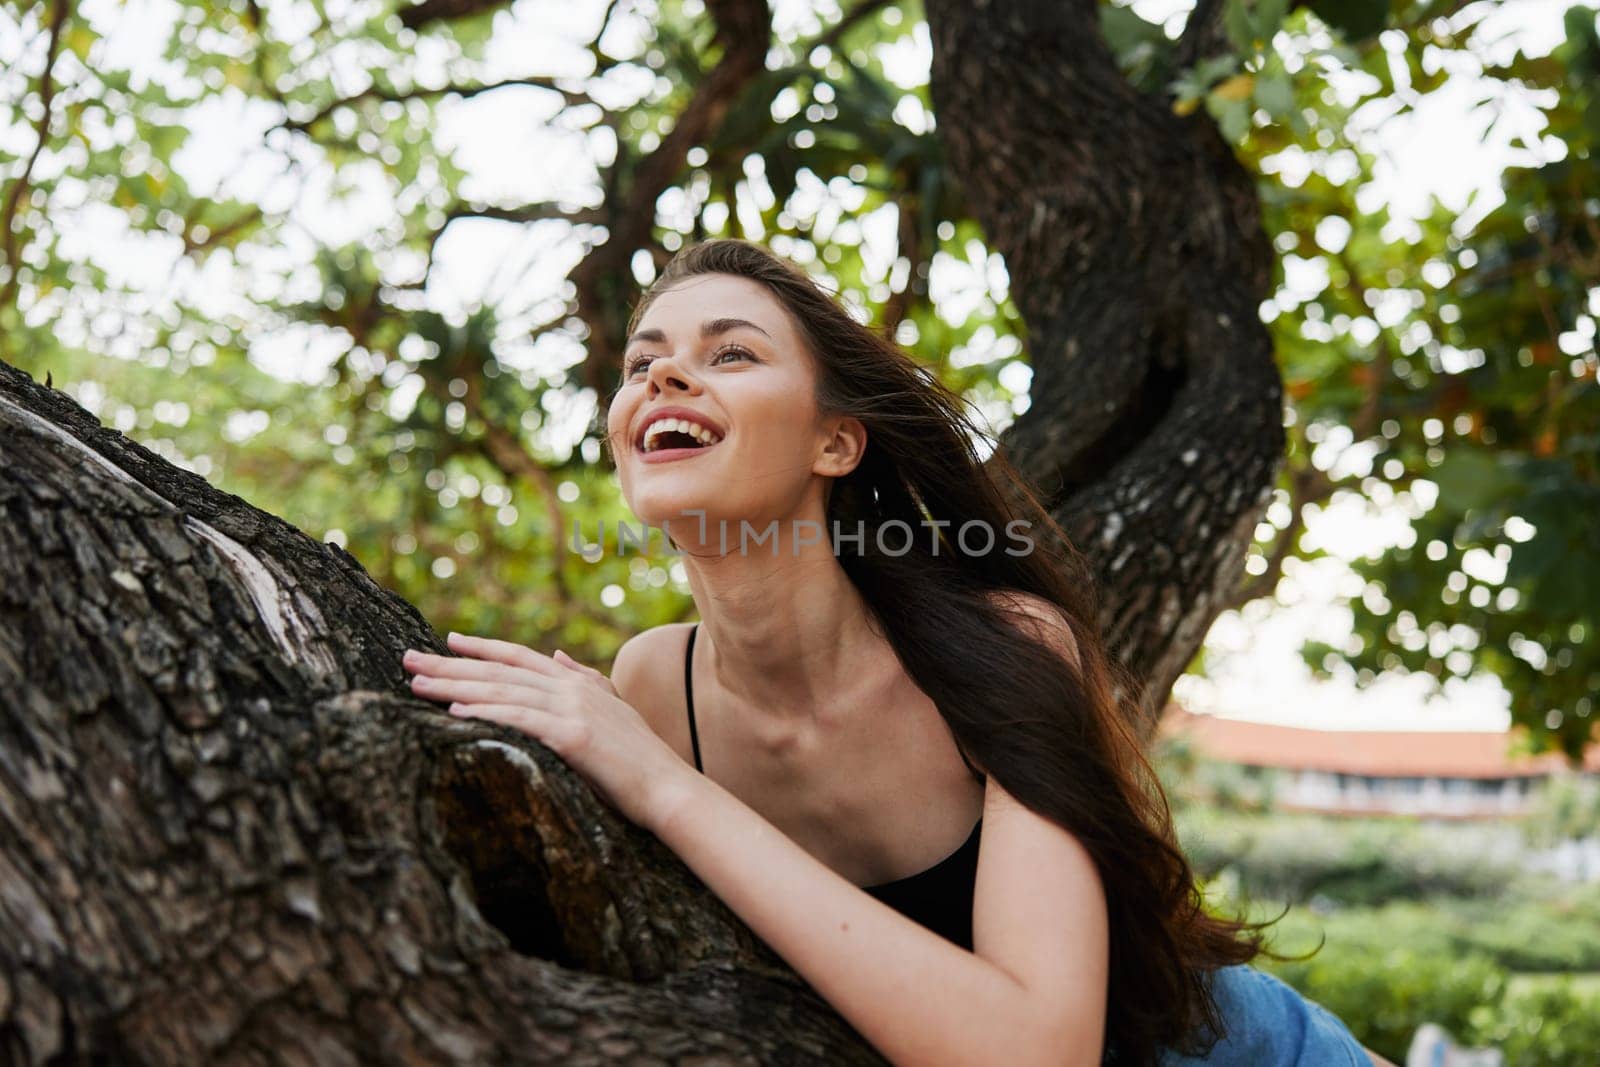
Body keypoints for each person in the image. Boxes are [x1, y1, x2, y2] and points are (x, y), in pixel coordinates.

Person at [401, 238, 1381, 1065]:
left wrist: (658, 783)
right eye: (639, 363)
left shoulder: (1005, 642)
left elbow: (1035, 1050)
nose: (660, 374)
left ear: (836, 441)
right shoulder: (655, 685)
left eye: (731, 353)